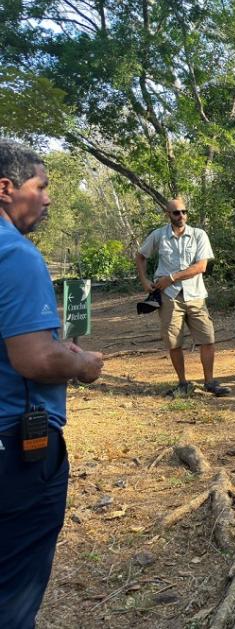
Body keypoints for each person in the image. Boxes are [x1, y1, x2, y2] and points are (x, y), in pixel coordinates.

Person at [0, 139, 104, 627]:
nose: (47, 198)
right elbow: (36, 358)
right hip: (16, 448)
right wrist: (82, 364)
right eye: (40, 186)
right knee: (13, 586)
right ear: (6, 188)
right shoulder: (16, 255)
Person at [136, 197, 229, 397]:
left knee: (208, 338)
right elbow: (141, 256)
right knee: (174, 342)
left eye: (184, 212)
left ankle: (210, 382)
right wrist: (144, 281)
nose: (181, 216)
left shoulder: (198, 235)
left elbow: (201, 267)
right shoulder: (158, 235)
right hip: (168, 297)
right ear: (168, 214)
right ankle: (183, 383)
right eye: (176, 212)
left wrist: (171, 277)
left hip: (195, 295)